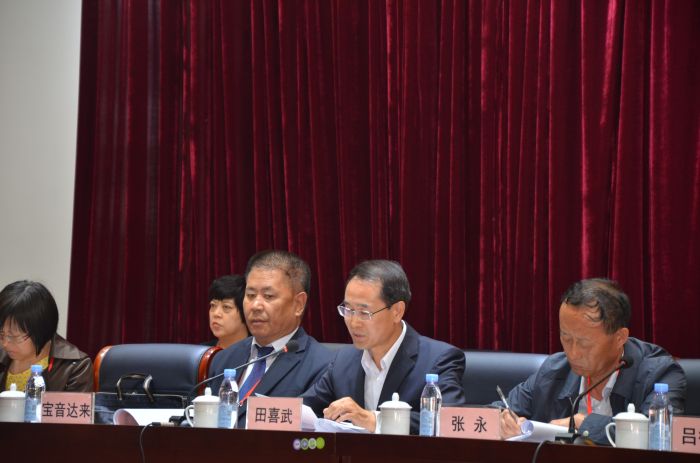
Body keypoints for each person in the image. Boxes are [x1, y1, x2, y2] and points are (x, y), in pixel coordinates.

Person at [498, 278, 686, 444]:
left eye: (584, 343)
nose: (573, 353)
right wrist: (505, 421)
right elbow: (493, 412)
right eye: (566, 338)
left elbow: (657, 435)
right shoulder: (554, 369)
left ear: (620, 337)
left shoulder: (661, 374)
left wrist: (584, 425)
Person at [302, 260, 466, 434]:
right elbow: (304, 408)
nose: (353, 322)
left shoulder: (439, 360)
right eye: (348, 310)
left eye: (364, 312)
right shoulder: (343, 359)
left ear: (397, 311)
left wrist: (373, 420)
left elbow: (450, 423)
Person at [208, 250, 333, 428]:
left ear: (298, 304)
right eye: (250, 295)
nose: (255, 306)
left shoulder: (323, 366)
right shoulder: (223, 359)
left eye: (268, 296)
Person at [0, 280, 93, 392]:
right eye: (1, 334)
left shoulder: (75, 366)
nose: (4, 343)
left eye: (13, 336)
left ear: (41, 330)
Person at [203, 274, 249, 349]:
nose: (216, 314)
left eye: (226, 307)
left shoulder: (258, 353)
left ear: (245, 312)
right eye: (213, 305)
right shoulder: (200, 352)